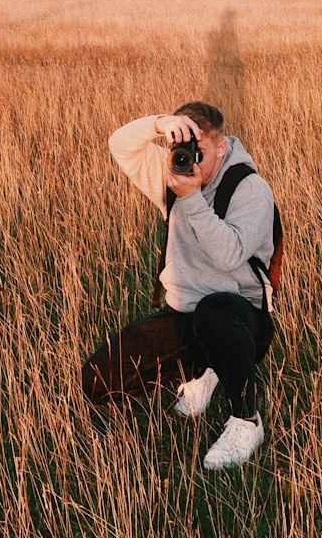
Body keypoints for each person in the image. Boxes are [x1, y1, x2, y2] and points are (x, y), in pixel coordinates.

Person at [81, 100, 277, 469]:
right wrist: (160, 124)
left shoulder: (249, 190)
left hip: (240, 318)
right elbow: (119, 144)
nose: (190, 160)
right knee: (96, 382)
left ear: (221, 147)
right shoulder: (175, 171)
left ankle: (246, 421)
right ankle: (204, 368)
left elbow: (230, 255)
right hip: (183, 314)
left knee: (214, 312)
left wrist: (191, 201)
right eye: (182, 148)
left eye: (198, 151)